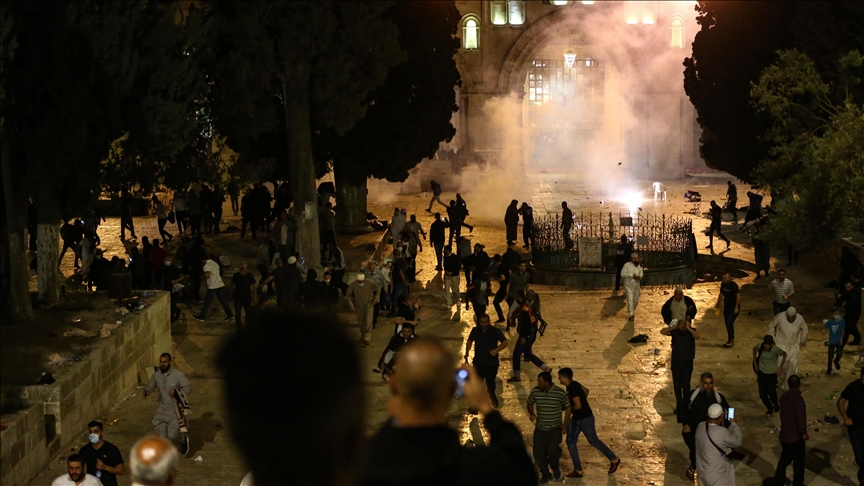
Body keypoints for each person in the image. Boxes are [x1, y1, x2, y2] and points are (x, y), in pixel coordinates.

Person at [361, 338, 536, 485]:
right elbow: (521, 468)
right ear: (453, 390)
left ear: (392, 384)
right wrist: (485, 406)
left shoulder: (360, 463)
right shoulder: (474, 469)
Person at [557, 368, 620, 478]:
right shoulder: (574, 384)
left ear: (565, 378)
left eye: (560, 377)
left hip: (584, 419)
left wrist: (568, 407)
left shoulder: (572, 388)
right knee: (571, 442)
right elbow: (586, 391)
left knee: (593, 441)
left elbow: (578, 406)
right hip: (577, 419)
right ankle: (578, 469)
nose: (558, 379)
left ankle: (614, 459)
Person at [679, 372, 730, 480]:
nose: (708, 386)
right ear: (701, 383)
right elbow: (681, 408)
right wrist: (685, 424)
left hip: (711, 433)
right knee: (695, 451)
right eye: (706, 383)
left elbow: (729, 410)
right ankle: (694, 466)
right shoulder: (692, 396)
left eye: (710, 383)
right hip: (692, 430)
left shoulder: (718, 398)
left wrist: (729, 423)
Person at [527, 371, 571, 483]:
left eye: (540, 381)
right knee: (538, 454)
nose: (537, 383)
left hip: (554, 430)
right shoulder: (535, 391)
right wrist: (531, 413)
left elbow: (568, 407)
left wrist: (565, 425)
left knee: (553, 453)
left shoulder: (559, 393)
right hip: (540, 430)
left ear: (547, 383)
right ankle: (545, 474)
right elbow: (530, 403)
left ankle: (556, 470)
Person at [143, 353, 192, 456]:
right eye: (161, 362)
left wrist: (176, 393)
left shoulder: (178, 375)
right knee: (162, 435)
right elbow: (151, 385)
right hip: (162, 408)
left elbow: (188, 387)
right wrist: (147, 391)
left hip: (174, 409)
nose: (163, 364)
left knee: (172, 434)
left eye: (165, 362)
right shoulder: (157, 375)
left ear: (169, 362)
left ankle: (183, 440)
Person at [464, 314, 508, 407]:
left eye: (485, 322)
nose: (483, 324)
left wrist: (496, 350)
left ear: (488, 322)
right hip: (479, 362)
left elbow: (505, 342)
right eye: (481, 322)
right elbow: (470, 340)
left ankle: (492, 396)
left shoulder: (495, 331)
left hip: (491, 363)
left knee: (490, 383)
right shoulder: (475, 330)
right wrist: (467, 352)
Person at [507, 292, 552, 382]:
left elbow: (526, 323)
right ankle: (545, 368)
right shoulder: (528, 306)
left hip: (526, 335)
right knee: (528, 354)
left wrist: (523, 336)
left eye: (517, 297)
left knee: (516, 354)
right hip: (532, 334)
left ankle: (516, 376)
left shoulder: (524, 308)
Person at [694, 403, 743, 486]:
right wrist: (734, 424)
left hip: (702, 473)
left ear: (707, 414)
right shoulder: (722, 432)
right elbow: (737, 441)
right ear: (722, 416)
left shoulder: (700, 426)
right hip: (717, 476)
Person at [773, 375, 808, 486]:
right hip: (795, 437)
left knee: (785, 458)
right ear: (799, 384)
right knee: (799, 462)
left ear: (788, 384)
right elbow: (800, 418)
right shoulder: (798, 399)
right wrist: (804, 433)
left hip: (785, 434)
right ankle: (797, 482)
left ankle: (779, 479)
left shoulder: (783, 397)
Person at [661, 318, 700, 415]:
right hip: (676, 362)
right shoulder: (675, 332)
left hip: (687, 362)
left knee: (686, 385)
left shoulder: (691, 332)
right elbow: (663, 332)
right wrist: (673, 327)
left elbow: (697, 336)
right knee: (677, 385)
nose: (681, 327)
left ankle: (686, 404)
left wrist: (688, 328)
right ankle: (679, 405)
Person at [768, 307, 808, 390]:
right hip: (781, 344)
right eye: (789, 317)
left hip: (794, 346)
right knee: (780, 365)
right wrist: (771, 337)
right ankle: (777, 380)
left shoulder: (800, 319)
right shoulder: (780, 317)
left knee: (791, 367)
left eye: (793, 317)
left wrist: (803, 339)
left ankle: (787, 387)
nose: (791, 319)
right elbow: (771, 326)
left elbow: (805, 329)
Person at [837, 367, 864, 485]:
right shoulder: (854, 386)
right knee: (860, 457)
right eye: (863, 379)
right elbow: (840, 401)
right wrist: (845, 417)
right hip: (855, 428)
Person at [78, 421, 125, 486]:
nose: (92, 434)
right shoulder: (84, 450)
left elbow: (121, 470)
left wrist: (105, 467)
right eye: (91, 432)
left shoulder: (111, 449)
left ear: (101, 433)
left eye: (95, 431)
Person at [753, 335, 786, 416]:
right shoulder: (760, 347)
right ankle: (770, 408)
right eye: (765, 344)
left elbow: (784, 354)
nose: (766, 346)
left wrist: (780, 367)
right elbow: (754, 350)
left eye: (768, 345)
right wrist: (755, 363)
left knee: (771, 391)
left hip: (771, 374)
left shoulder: (775, 349)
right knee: (762, 394)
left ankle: (775, 404)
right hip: (762, 374)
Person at [194, 256, 234, 322]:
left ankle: (201, 317)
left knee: (207, 303)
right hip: (219, 284)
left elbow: (207, 275)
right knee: (223, 301)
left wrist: (202, 277)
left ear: (203, 260)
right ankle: (230, 315)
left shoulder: (206, 266)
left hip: (213, 286)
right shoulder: (215, 263)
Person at [347, 273, 380, 347]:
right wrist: (351, 305)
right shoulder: (353, 285)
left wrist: (376, 299)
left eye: (362, 281)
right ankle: (363, 335)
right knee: (361, 321)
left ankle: (367, 338)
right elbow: (348, 294)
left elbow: (378, 289)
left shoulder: (370, 282)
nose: (360, 283)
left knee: (368, 321)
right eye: (359, 282)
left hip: (369, 303)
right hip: (359, 305)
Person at [715, 273, 741, 347]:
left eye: (725, 278)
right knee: (727, 323)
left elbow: (738, 296)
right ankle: (730, 338)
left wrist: (736, 307)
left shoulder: (733, 285)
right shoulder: (723, 284)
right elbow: (721, 294)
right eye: (723, 278)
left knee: (729, 323)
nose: (724, 280)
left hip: (733, 307)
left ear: (729, 278)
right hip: (727, 307)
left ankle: (731, 339)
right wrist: (717, 304)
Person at [231, 263, 257, 330]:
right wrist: (232, 293)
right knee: (238, 313)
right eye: (243, 268)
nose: (244, 270)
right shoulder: (236, 276)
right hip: (238, 297)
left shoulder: (249, 275)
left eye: (245, 268)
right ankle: (238, 327)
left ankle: (249, 325)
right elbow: (233, 285)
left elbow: (254, 286)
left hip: (247, 297)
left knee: (248, 312)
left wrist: (255, 296)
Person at [838, 280, 862, 346]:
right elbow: (840, 301)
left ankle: (857, 337)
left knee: (850, 326)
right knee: (846, 326)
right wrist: (839, 297)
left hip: (856, 312)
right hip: (848, 311)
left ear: (852, 286)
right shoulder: (846, 293)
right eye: (846, 287)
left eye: (848, 287)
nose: (847, 289)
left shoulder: (857, 292)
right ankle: (856, 337)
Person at [620, 253, 643, 320]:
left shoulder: (638, 266)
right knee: (630, 299)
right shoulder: (627, 265)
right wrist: (631, 275)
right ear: (632, 259)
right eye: (634, 258)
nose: (636, 260)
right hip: (628, 285)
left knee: (636, 300)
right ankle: (631, 315)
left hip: (636, 285)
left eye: (637, 258)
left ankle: (631, 310)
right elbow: (622, 274)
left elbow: (641, 273)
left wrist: (639, 277)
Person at [161, 254, 184, 322]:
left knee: (172, 303)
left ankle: (172, 317)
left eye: (169, 260)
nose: (167, 262)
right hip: (166, 288)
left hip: (173, 289)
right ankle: (176, 311)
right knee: (169, 303)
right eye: (166, 260)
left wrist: (176, 281)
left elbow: (182, 276)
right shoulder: (164, 268)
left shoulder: (174, 268)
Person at [443, 245, 462, 310]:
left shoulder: (455, 257)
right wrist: (446, 271)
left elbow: (459, 266)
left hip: (454, 276)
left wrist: (452, 272)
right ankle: (449, 303)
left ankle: (458, 300)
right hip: (447, 276)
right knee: (446, 289)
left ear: (447, 250)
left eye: (445, 250)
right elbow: (445, 265)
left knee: (455, 290)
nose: (444, 251)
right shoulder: (445, 257)